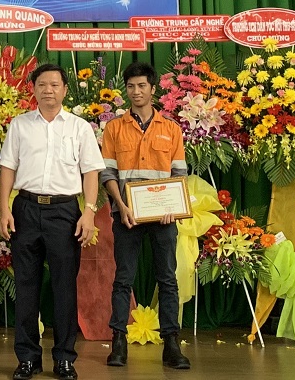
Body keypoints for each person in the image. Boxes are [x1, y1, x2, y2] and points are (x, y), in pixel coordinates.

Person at [0, 64, 104, 380]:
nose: (48, 90)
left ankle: (64, 358)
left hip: (64, 212)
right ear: (33, 89)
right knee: (25, 286)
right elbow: (7, 168)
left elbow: (91, 172)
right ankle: (27, 358)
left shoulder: (79, 127)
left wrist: (89, 211)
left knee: (64, 287)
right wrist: (4, 209)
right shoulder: (20, 125)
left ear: (65, 90)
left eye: (55, 84)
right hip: (26, 209)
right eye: (42, 84)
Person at [100, 61, 190, 370]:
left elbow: (179, 174)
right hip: (126, 215)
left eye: (141, 86)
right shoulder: (114, 128)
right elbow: (107, 173)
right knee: (123, 279)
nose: (136, 91)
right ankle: (118, 341)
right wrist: (121, 205)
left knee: (167, 279)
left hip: (164, 217)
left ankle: (172, 344)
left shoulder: (171, 129)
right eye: (130, 86)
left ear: (153, 89)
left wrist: (171, 208)